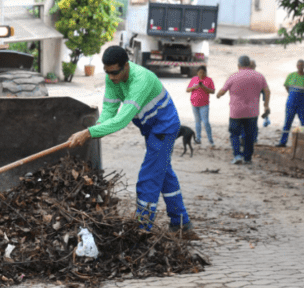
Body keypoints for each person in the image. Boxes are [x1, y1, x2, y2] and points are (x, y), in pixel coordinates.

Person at [67, 46, 192, 232]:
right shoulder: (113, 79)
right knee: (163, 173)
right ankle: (181, 223)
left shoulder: (140, 80)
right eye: (107, 73)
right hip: (149, 128)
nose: (111, 77)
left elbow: (123, 118)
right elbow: (109, 111)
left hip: (164, 127)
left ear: (126, 66)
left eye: (115, 72)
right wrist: (96, 129)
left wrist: (88, 133)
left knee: (148, 178)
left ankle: (142, 229)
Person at [216, 55, 270, 165]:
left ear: (238, 65)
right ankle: (248, 158)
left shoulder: (233, 76)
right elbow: (267, 91)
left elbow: (222, 91)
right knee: (250, 135)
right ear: (249, 63)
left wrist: (218, 95)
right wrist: (266, 105)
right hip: (252, 112)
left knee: (234, 134)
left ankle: (237, 155)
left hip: (236, 112)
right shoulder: (259, 76)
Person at [276, 59, 304, 147]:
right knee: (287, 123)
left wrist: (302, 94)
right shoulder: (291, 76)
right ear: (296, 66)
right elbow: (286, 87)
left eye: (302, 65)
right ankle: (283, 142)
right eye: (298, 65)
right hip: (291, 103)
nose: (300, 67)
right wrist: (293, 94)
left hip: (302, 104)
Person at [185, 66, 215, 146]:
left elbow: (212, 91)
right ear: (197, 72)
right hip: (194, 104)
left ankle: (210, 139)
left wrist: (204, 87)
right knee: (197, 122)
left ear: (205, 72)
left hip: (204, 104)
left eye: (203, 72)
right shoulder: (194, 79)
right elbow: (187, 90)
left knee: (205, 122)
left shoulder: (209, 80)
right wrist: (194, 87)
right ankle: (198, 138)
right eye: (200, 72)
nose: (201, 74)